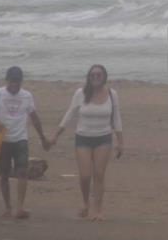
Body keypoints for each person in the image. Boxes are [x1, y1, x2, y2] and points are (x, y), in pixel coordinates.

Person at [50, 64, 123, 221]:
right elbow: (70, 114)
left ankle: (97, 210)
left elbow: (116, 117)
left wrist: (120, 141)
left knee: (99, 175)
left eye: (98, 75)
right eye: (92, 75)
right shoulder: (80, 93)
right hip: (83, 138)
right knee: (85, 175)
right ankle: (85, 202)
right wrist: (56, 135)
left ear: (104, 77)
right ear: (88, 77)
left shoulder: (112, 94)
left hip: (103, 138)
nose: (95, 77)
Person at [0, 66, 49, 219]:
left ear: (21, 81)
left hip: (21, 139)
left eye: (17, 81)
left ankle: (20, 208)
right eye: (12, 81)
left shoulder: (27, 96)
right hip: (3, 140)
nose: (15, 84)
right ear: (7, 80)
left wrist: (42, 137)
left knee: (22, 172)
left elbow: (34, 117)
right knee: (4, 174)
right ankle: (7, 208)